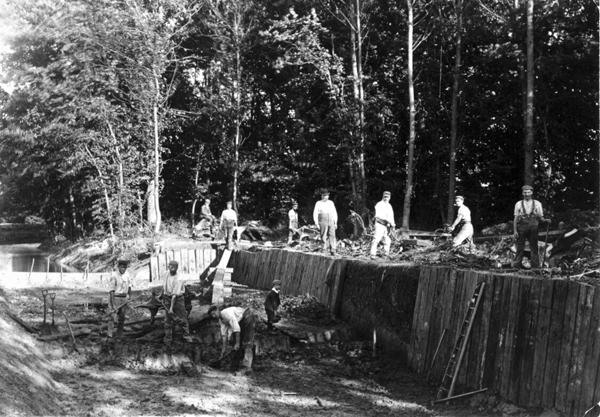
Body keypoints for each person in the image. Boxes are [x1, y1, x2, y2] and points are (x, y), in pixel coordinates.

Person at [512, 185, 551, 269]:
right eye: (525, 192)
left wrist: (545, 221)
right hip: (521, 228)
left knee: (534, 247)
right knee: (519, 247)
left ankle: (535, 267)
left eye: (528, 192)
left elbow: (540, 217)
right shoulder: (518, 204)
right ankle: (516, 266)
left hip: (533, 227)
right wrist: (515, 231)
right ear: (522, 193)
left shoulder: (537, 204)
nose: (526, 194)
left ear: (531, 193)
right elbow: (515, 218)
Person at [208, 304, 257, 370]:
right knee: (235, 343)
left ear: (217, 310)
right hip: (240, 321)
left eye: (214, 313)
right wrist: (224, 350)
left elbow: (236, 329)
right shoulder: (221, 320)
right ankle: (235, 366)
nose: (213, 316)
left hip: (248, 316)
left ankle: (246, 366)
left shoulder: (226, 313)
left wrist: (237, 343)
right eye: (212, 315)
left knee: (247, 342)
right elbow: (224, 335)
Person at [161, 261, 193, 345]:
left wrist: (171, 308)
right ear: (168, 267)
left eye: (174, 267)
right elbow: (164, 285)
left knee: (183, 319)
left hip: (178, 299)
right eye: (171, 267)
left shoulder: (178, 278)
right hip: (167, 298)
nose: (172, 269)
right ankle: (168, 340)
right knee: (167, 321)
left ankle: (187, 337)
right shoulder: (166, 275)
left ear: (177, 268)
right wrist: (161, 295)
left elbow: (174, 295)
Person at [107, 260, 132, 339]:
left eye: (125, 267)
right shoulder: (114, 276)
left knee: (122, 318)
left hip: (124, 298)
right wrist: (113, 304)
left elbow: (129, 286)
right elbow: (111, 291)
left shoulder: (127, 275)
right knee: (112, 317)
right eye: (121, 267)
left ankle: (119, 334)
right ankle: (109, 334)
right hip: (115, 298)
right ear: (118, 267)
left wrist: (129, 295)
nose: (123, 269)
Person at [370, 191, 396, 258]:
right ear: (382, 197)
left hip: (386, 226)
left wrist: (393, 225)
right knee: (376, 239)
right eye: (384, 197)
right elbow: (379, 216)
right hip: (379, 224)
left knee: (387, 240)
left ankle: (386, 254)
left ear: (389, 198)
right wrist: (389, 222)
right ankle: (373, 254)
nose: (385, 198)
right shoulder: (379, 204)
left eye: (387, 197)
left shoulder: (389, 206)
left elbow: (391, 216)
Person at [313, 189, 338, 255]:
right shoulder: (318, 203)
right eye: (323, 195)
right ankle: (323, 249)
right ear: (321, 196)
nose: (325, 197)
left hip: (331, 219)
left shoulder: (331, 202)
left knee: (332, 235)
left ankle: (333, 250)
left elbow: (334, 212)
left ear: (328, 196)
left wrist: (335, 222)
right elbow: (315, 213)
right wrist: (316, 223)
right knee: (323, 235)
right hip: (322, 219)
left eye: (326, 195)